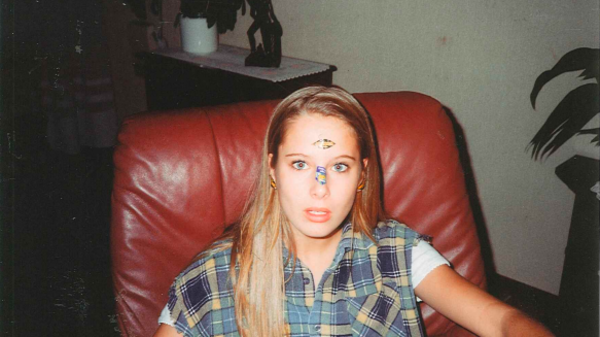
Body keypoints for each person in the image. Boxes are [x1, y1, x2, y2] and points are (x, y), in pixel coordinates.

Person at [154, 86, 553, 337]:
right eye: (300, 164)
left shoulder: (398, 252)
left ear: (362, 175)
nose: (320, 188)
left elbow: (501, 322)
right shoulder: (215, 274)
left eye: (339, 166)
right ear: (272, 169)